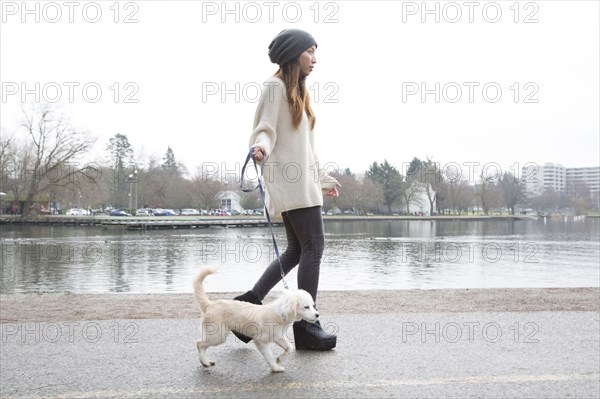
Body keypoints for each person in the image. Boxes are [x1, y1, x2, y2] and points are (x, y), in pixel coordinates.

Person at [233, 29, 340, 351]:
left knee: (297, 250)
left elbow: (307, 148)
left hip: (303, 182)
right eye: (310, 51)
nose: (315, 59)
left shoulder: (299, 96)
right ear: (294, 54)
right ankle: (307, 328)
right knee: (314, 247)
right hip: (289, 182)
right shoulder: (275, 87)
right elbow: (263, 130)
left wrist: (323, 180)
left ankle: (248, 305)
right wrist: (260, 148)